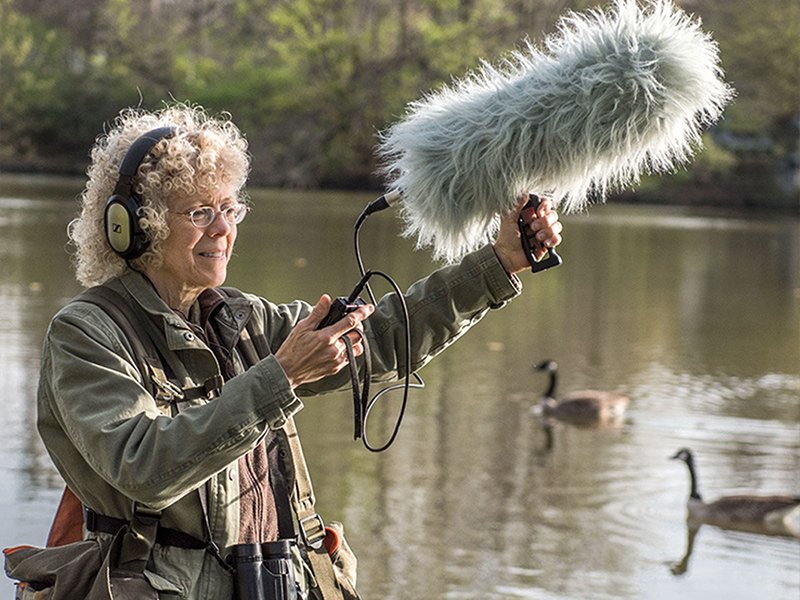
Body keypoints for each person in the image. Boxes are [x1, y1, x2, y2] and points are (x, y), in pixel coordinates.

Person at [33, 103, 562, 599]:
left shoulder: (245, 319)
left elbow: (378, 338)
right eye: (198, 213)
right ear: (134, 227)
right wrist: (280, 377)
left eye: (229, 208)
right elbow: (143, 467)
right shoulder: (85, 333)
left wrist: (498, 263)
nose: (222, 228)